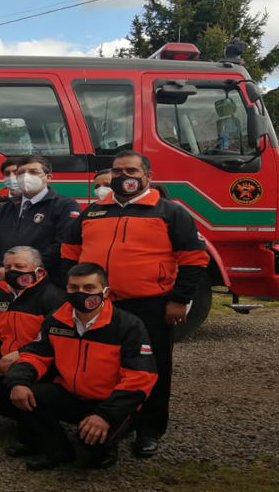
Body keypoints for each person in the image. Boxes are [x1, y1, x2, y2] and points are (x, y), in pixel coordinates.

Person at [61, 150, 209, 457]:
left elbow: (194, 259)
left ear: (148, 177)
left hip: (150, 305)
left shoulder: (170, 212)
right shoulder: (93, 212)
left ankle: (149, 429)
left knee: (152, 366)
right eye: (117, 171)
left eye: (131, 170)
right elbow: (69, 253)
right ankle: (113, 418)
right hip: (99, 306)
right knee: (105, 364)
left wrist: (180, 300)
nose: (123, 177)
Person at [4, 263, 158, 470]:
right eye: (74, 288)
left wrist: (105, 415)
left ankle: (106, 444)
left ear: (105, 292)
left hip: (109, 401)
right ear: (66, 289)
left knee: (92, 448)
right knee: (27, 394)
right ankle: (57, 450)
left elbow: (141, 377)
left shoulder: (128, 325)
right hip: (71, 394)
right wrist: (18, 382)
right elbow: (36, 355)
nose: (80, 293)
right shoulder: (56, 321)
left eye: (89, 288)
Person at [0, 246, 66, 449]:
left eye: (20, 266)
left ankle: (38, 424)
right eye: (8, 267)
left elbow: (53, 341)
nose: (13, 271)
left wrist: (20, 355)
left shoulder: (54, 298)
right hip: (6, 366)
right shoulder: (4, 295)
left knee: (35, 396)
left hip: (42, 367)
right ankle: (25, 415)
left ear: (40, 272)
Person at [0, 154, 79, 288]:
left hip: (45, 282)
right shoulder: (6, 207)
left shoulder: (64, 206)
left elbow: (63, 244)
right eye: (21, 173)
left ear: (48, 177)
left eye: (33, 172)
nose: (26, 176)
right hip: (7, 282)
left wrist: (29, 268)